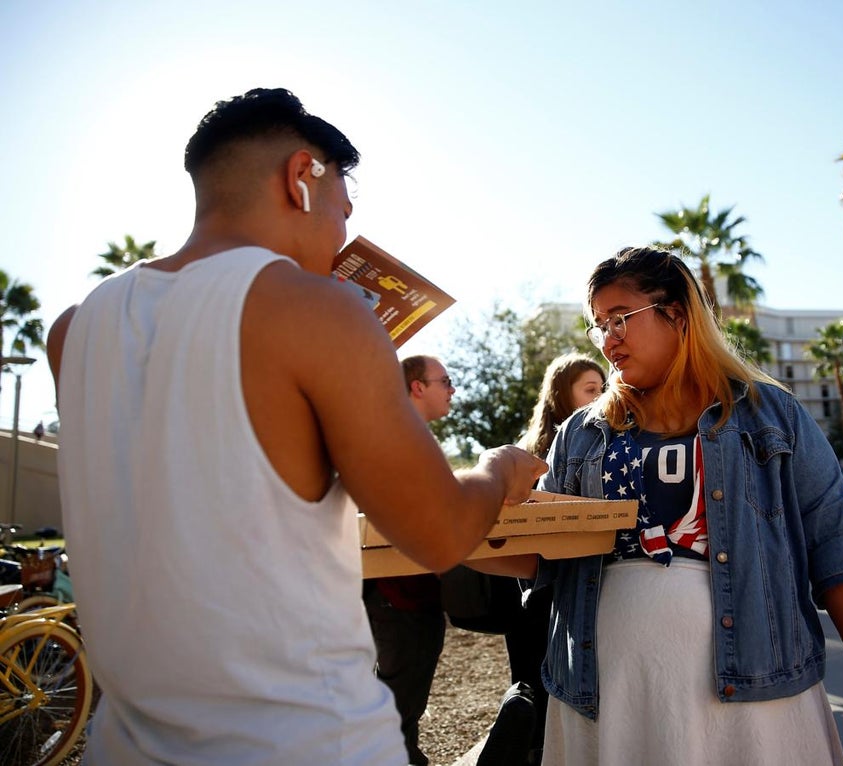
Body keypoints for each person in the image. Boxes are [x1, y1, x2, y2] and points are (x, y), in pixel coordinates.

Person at [46, 87, 545, 766]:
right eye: (344, 205)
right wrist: (498, 469)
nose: (343, 232)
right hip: (306, 739)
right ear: (301, 176)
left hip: (127, 744)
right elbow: (440, 533)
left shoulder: (74, 329)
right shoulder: (317, 310)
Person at [480, 247, 843, 764]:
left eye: (620, 318)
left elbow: (836, 545)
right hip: (604, 697)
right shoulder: (580, 433)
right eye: (598, 326)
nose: (607, 339)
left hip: (756, 695)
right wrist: (460, 522)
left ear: (677, 314)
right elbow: (541, 556)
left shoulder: (771, 415)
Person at [504, 353, 605, 764]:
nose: (601, 397)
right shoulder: (531, 456)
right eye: (591, 389)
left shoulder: (607, 444)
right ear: (562, 394)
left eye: (603, 388)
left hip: (577, 588)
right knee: (536, 691)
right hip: (538, 596)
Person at [362, 354, 456, 766]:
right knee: (397, 716)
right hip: (400, 597)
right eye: (445, 381)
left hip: (402, 596)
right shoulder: (398, 439)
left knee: (399, 712)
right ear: (418, 386)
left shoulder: (402, 436)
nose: (452, 389)